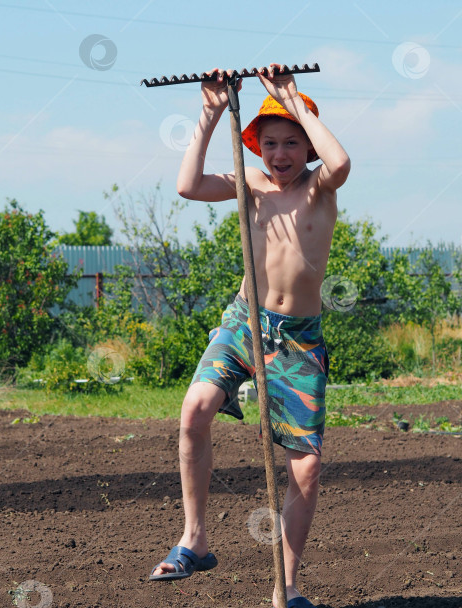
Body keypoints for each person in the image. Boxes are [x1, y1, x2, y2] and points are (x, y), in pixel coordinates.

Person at [148, 64, 351, 608]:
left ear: (306, 147)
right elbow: (187, 185)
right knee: (194, 410)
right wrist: (210, 114)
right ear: (255, 146)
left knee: (305, 467)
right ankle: (195, 540)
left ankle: (286, 587)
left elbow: (342, 162)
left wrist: (293, 101)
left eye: (291, 142)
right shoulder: (251, 184)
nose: (279, 153)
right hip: (245, 322)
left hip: (299, 341)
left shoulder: (319, 188)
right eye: (269, 142)